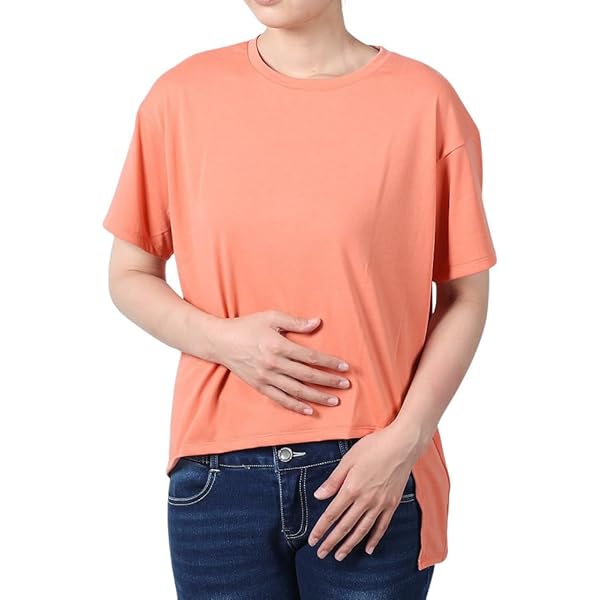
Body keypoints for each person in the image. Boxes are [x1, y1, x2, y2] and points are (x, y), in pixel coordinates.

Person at [102, 0, 497, 597]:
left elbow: (465, 294)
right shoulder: (179, 98)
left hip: (371, 473)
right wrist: (224, 342)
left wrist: (407, 440)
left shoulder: (425, 103)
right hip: (219, 478)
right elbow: (130, 273)